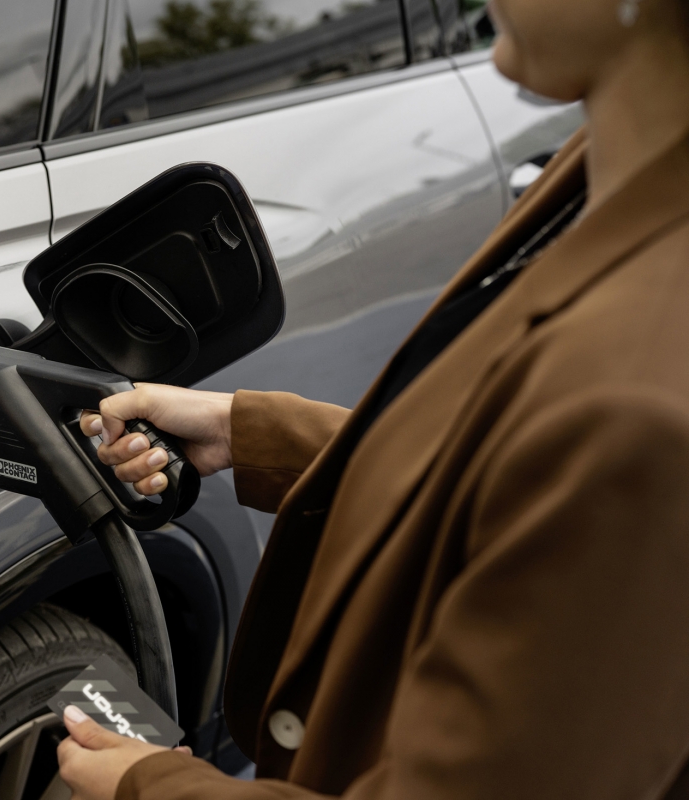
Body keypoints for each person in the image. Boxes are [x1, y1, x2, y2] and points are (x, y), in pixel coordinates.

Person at [58, 0, 689, 797]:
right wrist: (248, 432)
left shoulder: (645, 414)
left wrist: (154, 787)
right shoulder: (603, 167)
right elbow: (512, 478)